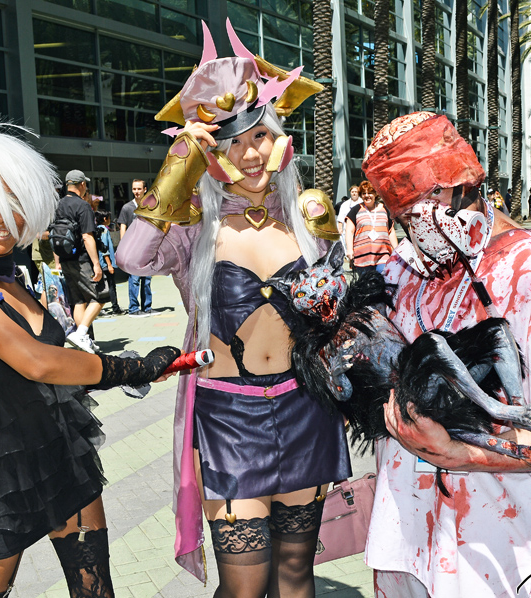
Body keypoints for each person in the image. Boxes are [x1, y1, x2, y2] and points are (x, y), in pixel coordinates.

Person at [116, 20, 351, 596]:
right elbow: (131, 258)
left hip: (306, 408)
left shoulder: (309, 220)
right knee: (244, 587)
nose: (249, 153)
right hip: (228, 417)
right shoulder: (195, 228)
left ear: (280, 141)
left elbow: (339, 313)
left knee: (295, 576)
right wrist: (180, 160)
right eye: (230, 143)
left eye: (259, 136)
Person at [362, 111, 531, 598]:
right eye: (402, 218)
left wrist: (459, 454)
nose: (413, 231)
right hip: (401, 546)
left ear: (458, 182)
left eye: (419, 209)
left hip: (491, 557)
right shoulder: (400, 272)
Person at [0, 123, 180, 598]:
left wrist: (143, 365)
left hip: (61, 452)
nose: (0, 215)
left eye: (13, 201)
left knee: (96, 592)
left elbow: (58, 363)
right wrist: (133, 368)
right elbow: (37, 362)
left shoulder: (14, 282)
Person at [55, 170, 106, 352]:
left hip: (65, 258)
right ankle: (81, 334)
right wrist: (96, 264)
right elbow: (87, 236)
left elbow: (55, 233)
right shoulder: (82, 206)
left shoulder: (58, 205)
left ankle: (84, 340)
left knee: (78, 301)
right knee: (102, 295)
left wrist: (57, 261)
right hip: (82, 259)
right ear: (82, 184)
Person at [345, 180, 397, 276]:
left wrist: (396, 250)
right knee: (366, 284)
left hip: (383, 256)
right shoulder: (356, 210)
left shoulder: (384, 209)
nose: (367, 195)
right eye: (364, 193)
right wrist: (349, 250)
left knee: (383, 281)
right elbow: (349, 231)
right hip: (362, 258)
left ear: (375, 194)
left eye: (370, 193)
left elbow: (391, 231)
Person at [117, 180, 153, 317]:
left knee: (147, 279)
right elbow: (123, 227)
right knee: (134, 279)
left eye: (139, 189)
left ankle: (147, 307)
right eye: (134, 189)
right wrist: (123, 247)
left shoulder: (149, 207)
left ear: (145, 189)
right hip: (133, 249)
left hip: (147, 249)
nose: (136, 192)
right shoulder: (127, 208)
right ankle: (133, 308)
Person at [95, 210, 121, 315]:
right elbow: (104, 249)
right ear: (105, 219)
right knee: (111, 286)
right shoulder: (104, 230)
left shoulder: (96, 229)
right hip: (105, 263)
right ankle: (115, 308)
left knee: (100, 285)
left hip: (100, 263)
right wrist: (109, 264)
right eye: (109, 218)